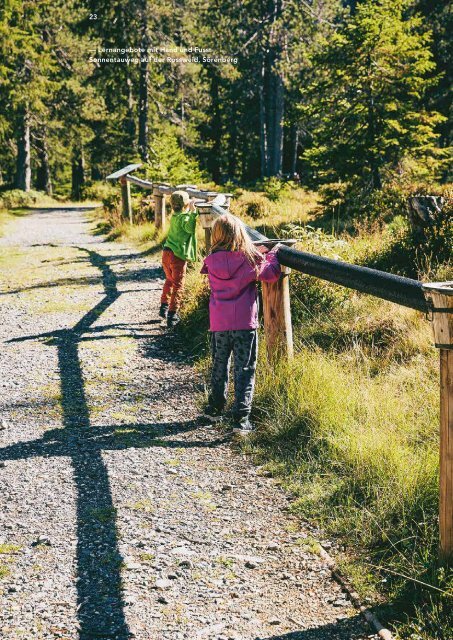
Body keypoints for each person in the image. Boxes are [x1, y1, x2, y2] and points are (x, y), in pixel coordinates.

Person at [201, 213, 281, 436]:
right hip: (244, 324)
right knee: (244, 369)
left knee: (219, 365)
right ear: (240, 235)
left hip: (218, 323)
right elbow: (271, 274)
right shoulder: (249, 260)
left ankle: (215, 408)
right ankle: (241, 418)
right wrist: (272, 254)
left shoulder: (211, 261)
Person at [159, 190, 198, 327]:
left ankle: (163, 306)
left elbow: (183, 217)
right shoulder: (185, 217)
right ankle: (172, 314)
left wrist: (188, 210)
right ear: (186, 204)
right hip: (177, 256)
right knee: (178, 285)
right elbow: (190, 228)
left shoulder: (175, 216)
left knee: (169, 280)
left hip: (166, 252)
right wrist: (193, 211)